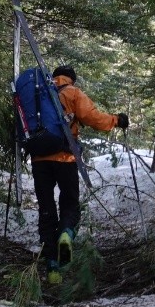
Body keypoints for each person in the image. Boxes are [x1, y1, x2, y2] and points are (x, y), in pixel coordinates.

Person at [32, 65, 129, 283]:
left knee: (46, 210)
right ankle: (66, 235)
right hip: (66, 158)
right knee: (70, 205)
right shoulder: (73, 93)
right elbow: (93, 118)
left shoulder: (38, 92)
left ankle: (52, 268)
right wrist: (117, 120)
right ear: (71, 79)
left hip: (39, 160)